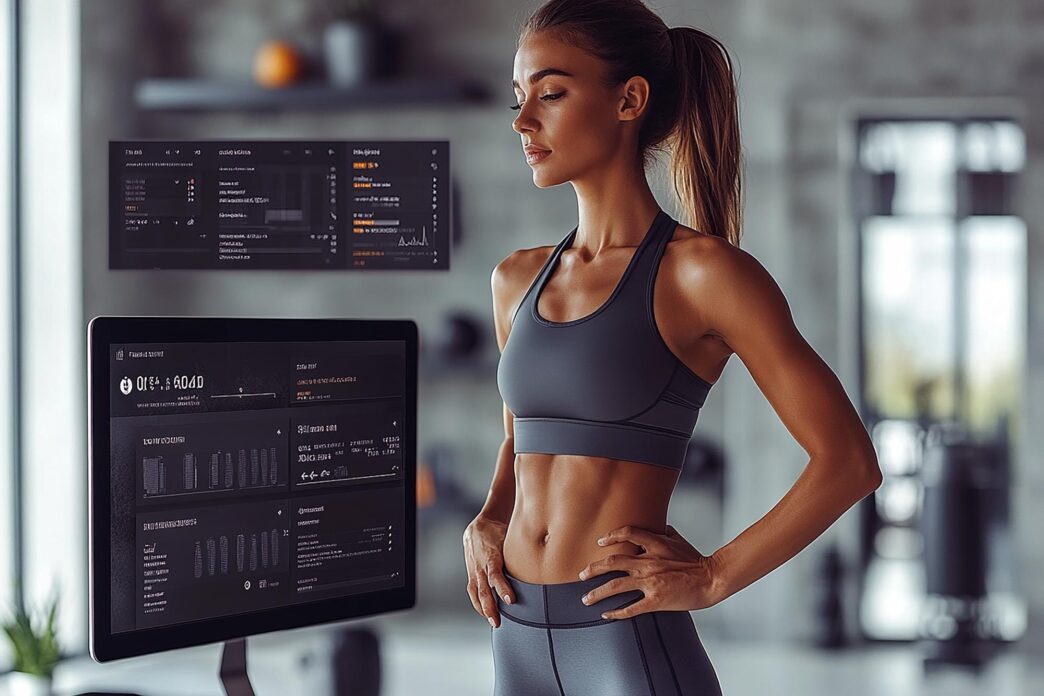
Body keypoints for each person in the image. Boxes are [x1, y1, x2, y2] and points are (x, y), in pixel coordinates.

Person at [462, 1, 883, 693]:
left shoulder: (704, 274)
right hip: (514, 638)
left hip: (627, 645)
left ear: (629, 99)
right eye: (519, 97)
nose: (523, 120)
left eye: (552, 92)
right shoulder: (515, 280)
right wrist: (488, 515)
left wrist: (714, 576)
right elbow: (524, 439)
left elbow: (849, 463)